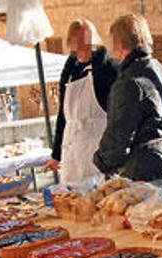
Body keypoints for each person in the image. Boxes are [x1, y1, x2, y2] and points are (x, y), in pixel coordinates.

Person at [93, 14, 162, 182]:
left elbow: (119, 135)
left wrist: (100, 160)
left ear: (121, 44)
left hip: (141, 172)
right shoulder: (158, 69)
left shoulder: (129, 82)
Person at [44, 19, 118, 184]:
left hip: (97, 150)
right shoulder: (70, 69)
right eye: (79, 42)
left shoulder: (108, 69)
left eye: (87, 41)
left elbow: (118, 116)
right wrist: (56, 155)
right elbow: (63, 115)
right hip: (72, 149)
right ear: (71, 42)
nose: (84, 47)